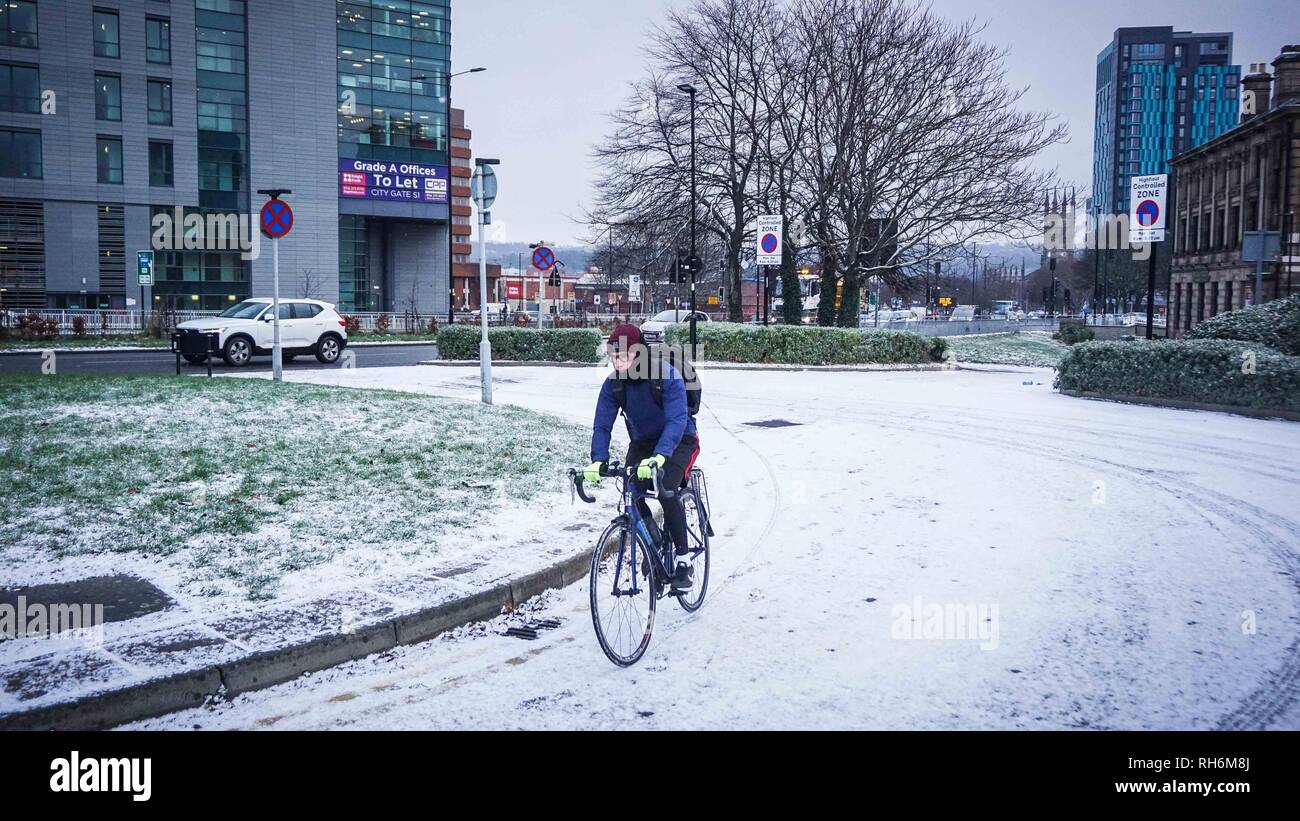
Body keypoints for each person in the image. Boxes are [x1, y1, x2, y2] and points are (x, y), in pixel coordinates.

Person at [584, 324, 700, 589]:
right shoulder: (614, 385)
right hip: (644, 443)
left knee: (666, 488)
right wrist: (597, 460)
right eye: (613, 355)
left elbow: (677, 419)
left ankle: (684, 562)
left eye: (623, 355)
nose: (617, 360)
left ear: (639, 354)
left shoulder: (665, 375)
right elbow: (602, 424)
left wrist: (660, 457)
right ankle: (654, 539)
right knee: (631, 491)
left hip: (681, 439)